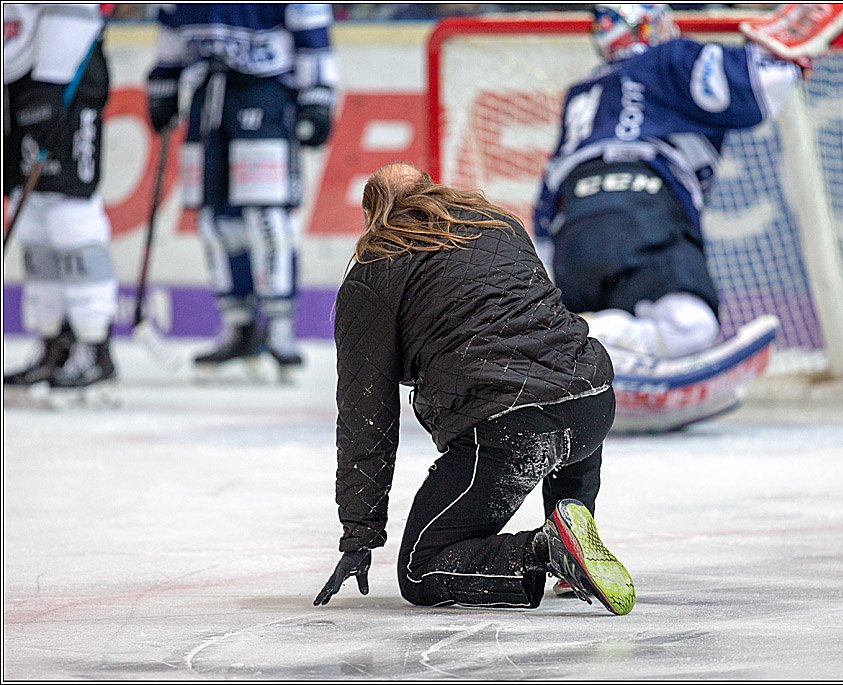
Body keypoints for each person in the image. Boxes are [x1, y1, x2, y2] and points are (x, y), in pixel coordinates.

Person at [312, 162, 634, 615]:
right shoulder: (500, 225)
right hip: (593, 404)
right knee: (561, 397)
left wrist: (359, 536)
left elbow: (366, 415)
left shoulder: (373, 272)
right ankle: (573, 532)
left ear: (372, 215)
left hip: (511, 425)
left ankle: (547, 549)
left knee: (420, 570)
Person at [532, 3, 807, 390]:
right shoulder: (667, 59)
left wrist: (548, 269)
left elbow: (548, 192)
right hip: (641, 210)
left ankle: (584, 342)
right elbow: (748, 82)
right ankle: (597, 335)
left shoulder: (582, 91)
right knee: (691, 325)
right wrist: (792, 52)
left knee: (615, 308)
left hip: (573, 231)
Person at [145, 4, 337, 380]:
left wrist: (317, 97)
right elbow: (170, 35)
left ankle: (279, 330)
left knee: (267, 217)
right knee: (215, 221)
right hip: (208, 99)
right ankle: (239, 327)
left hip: (266, 94)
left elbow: (313, 34)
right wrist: (163, 86)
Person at [3, 3, 118, 400]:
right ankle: (55, 345)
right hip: (19, 81)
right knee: (32, 218)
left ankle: (94, 346)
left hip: (67, 80)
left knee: (70, 216)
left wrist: (50, 84)